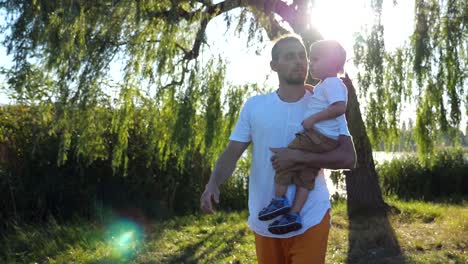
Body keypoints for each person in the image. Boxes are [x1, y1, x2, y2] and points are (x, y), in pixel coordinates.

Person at [200, 34, 356, 264]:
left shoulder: (321, 100)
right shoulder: (255, 106)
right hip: (265, 218)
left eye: (303, 56)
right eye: (290, 56)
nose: (300, 61)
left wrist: (296, 157)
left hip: (312, 217)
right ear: (274, 65)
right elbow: (232, 152)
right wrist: (213, 182)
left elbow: (348, 158)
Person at [258, 39, 349, 235]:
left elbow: (339, 107)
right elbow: (324, 99)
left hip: (316, 136)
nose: (310, 63)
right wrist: (310, 90)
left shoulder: (332, 83)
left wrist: (313, 119)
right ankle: (294, 214)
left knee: (284, 160)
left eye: (315, 59)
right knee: (307, 176)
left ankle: (279, 201)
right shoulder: (328, 85)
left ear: (332, 63)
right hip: (325, 141)